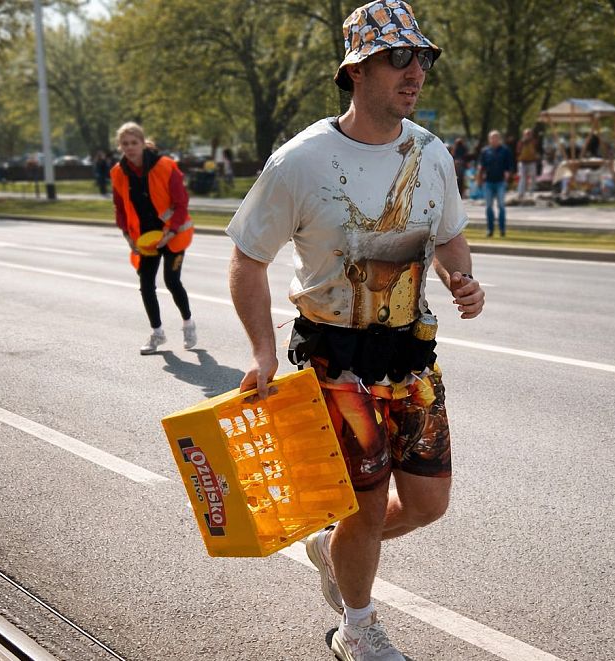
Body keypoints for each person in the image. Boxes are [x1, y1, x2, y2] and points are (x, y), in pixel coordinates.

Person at [226, 3, 485, 659]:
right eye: (399, 57)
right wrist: (260, 351)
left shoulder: (431, 154)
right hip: (334, 362)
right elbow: (247, 257)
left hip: (412, 359)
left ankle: (330, 548)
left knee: (427, 503)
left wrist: (461, 277)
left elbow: (450, 234)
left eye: (422, 57)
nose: (415, 71)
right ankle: (357, 626)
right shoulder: (300, 161)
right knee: (365, 508)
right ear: (356, 68)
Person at [110, 121, 197, 355]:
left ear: (142, 142)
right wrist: (128, 236)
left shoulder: (165, 166)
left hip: (173, 234)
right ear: (120, 146)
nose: (130, 147)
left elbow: (181, 203)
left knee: (172, 280)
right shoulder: (118, 173)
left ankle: (188, 323)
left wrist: (169, 233)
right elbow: (119, 208)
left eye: (134, 142)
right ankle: (157, 333)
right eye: (125, 144)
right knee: (146, 285)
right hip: (145, 239)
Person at [477, 130, 514, 236]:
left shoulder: (505, 150)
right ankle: (490, 229)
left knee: (501, 206)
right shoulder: (485, 151)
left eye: (496, 138)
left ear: (499, 139)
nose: (494, 140)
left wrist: (508, 174)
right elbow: (481, 165)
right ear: (489, 139)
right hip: (488, 182)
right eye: (492, 138)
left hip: (500, 182)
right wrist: (479, 177)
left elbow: (510, 165)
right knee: (488, 206)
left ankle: (502, 230)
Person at [514, 128, 539, 202]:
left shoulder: (534, 142)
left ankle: (531, 192)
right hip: (522, 162)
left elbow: (538, 150)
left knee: (533, 177)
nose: (528, 135)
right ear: (524, 134)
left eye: (529, 134)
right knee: (522, 177)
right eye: (526, 134)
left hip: (532, 161)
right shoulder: (521, 142)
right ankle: (521, 193)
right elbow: (517, 151)